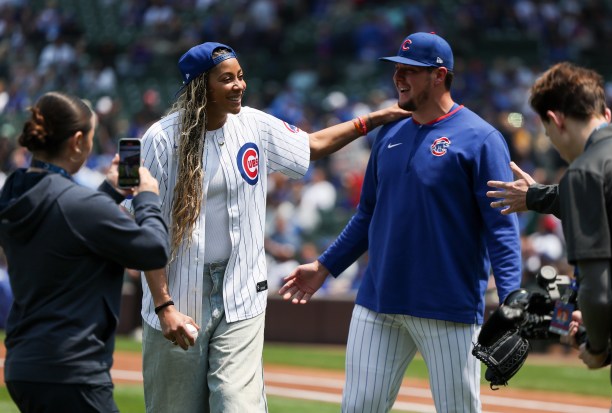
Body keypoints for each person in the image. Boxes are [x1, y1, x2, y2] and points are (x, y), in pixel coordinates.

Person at [136, 41, 409, 413]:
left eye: (241, 76)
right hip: (180, 293)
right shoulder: (160, 138)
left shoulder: (253, 123)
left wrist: (371, 121)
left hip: (241, 290)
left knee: (239, 406)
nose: (239, 85)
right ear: (201, 87)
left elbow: (311, 145)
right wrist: (164, 304)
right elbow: (145, 228)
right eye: (226, 79)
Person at [279, 32, 522, 413]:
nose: (399, 78)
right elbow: (367, 215)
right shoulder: (390, 133)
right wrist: (325, 266)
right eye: (397, 70)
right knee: (357, 408)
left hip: (447, 307)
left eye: (410, 71)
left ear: (439, 75)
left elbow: (501, 227)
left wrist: (511, 300)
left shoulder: (481, 138)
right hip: (379, 302)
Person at [0, 91, 169, 413]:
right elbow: (153, 250)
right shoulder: (79, 205)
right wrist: (147, 197)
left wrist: (108, 192)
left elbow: (63, 224)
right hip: (72, 368)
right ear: (78, 141)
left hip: (25, 364)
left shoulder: (15, 195)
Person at [487, 62, 612, 412]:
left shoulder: (585, 171)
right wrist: (536, 196)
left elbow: (598, 290)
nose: (553, 144)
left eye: (547, 133)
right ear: (604, 113)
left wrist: (594, 347)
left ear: (556, 120)